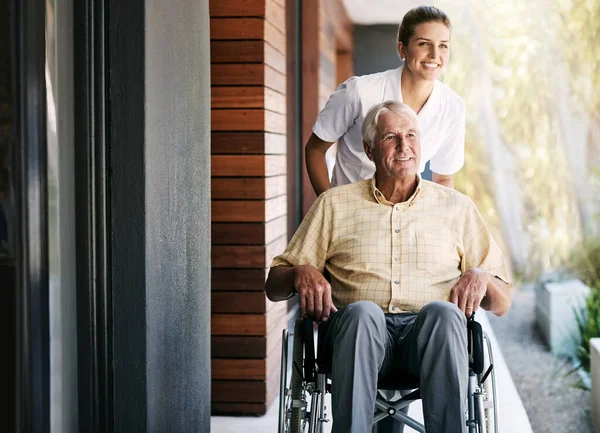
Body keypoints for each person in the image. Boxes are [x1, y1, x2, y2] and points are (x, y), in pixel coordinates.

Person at [265, 101, 511, 433]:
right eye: (390, 136)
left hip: (428, 341)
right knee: (364, 313)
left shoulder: (457, 208)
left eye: (411, 135)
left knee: (444, 313)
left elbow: (502, 302)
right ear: (369, 149)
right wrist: (299, 272)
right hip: (355, 337)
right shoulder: (334, 204)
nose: (404, 145)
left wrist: (480, 276)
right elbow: (274, 285)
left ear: (421, 145)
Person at [306, 5, 464, 195]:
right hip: (352, 216)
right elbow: (315, 150)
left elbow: (444, 178)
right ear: (402, 49)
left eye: (443, 45)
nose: (435, 55)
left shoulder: (453, 107)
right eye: (424, 44)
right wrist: (329, 208)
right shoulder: (359, 92)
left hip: (407, 218)